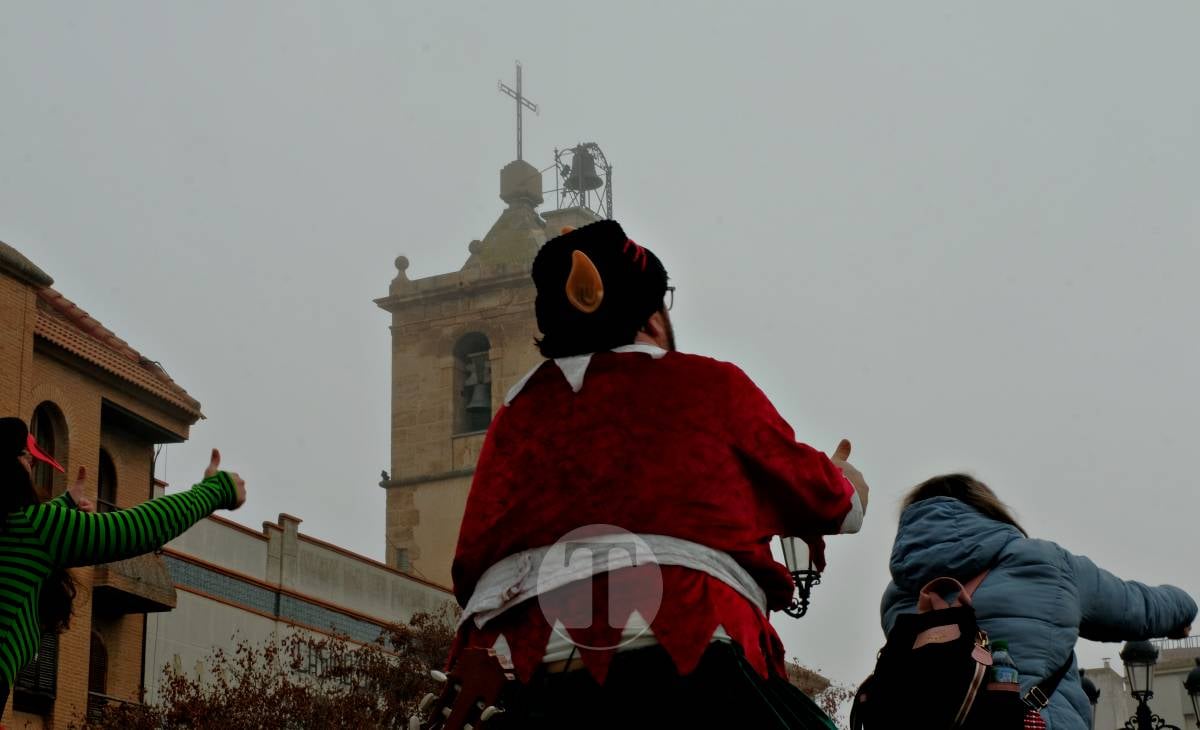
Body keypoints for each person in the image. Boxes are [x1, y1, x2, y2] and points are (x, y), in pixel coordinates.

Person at [447, 220, 870, 728]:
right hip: (686, 658)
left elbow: (468, 562)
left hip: (519, 672)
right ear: (650, 320)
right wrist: (847, 482)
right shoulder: (708, 386)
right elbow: (827, 501)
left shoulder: (512, 418)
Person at [881, 473, 1196, 730]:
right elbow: (1135, 607)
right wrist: (1184, 609)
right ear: (987, 509)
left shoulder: (899, 596)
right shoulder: (1045, 562)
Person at [0, 416, 246, 707]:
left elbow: (24, 535)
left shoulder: (20, 529)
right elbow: (139, 528)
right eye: (31, 461)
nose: (34, 468)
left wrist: (64, 505)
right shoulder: (33, 528)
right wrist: (214, 490)